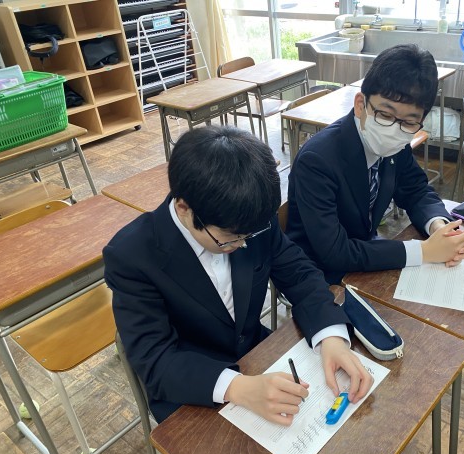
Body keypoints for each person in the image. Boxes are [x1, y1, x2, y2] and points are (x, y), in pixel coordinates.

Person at [103, 126, 373, 425]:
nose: (243, 244)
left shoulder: (249, 216)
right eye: (230, 239)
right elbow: (155, 361)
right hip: (191, 390)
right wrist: (237, 387)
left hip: (255, 354)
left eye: (248, 236)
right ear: (184, 208)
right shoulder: (132, 256)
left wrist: (330, 335)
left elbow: (298, 273)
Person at [285, 44, 464, 285]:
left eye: (408, 122)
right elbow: (334, 252)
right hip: (317, 273)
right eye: (385, 115)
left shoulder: (396, 144)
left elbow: (416, 190)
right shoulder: (318, 160)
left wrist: (438, 226)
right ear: (360, 104)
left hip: (363, 255)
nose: (395, 129)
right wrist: (424, 251)